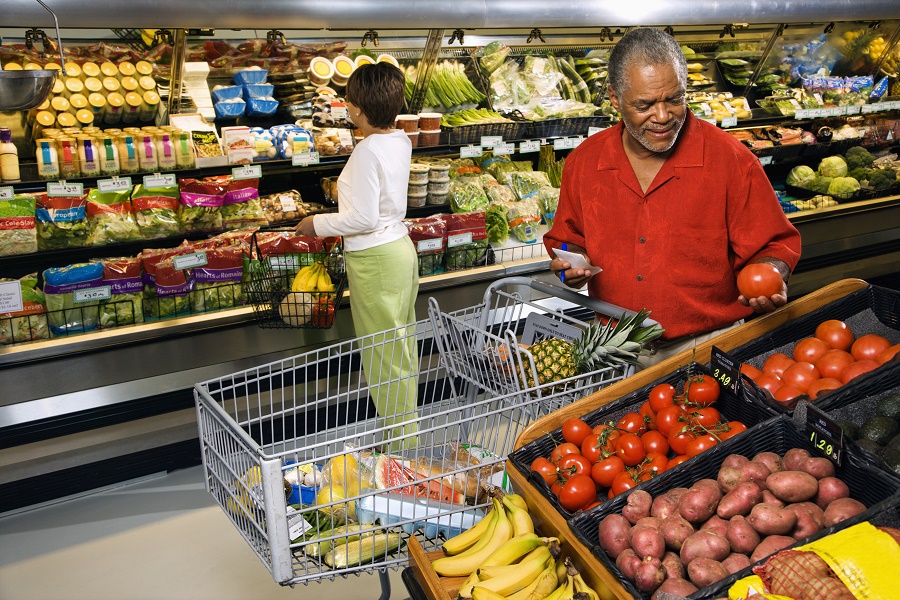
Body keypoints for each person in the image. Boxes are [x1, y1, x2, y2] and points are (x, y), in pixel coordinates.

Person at [544, 27, 802, 366]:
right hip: (615, 347)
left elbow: (774, 245)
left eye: (675, 99)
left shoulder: (731, 160)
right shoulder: (585, 162)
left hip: (708, 347)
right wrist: (569, 266)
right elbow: (568, 241)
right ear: (614, 97)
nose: (663, 116)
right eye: (645, 104)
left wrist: (769, 274)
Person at [295, 62, 420, 447]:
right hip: (398, 250)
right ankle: (399, 439)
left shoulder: (368, 152)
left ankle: (403, 454)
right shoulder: (400, 141)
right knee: (400, 352)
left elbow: (363, 218)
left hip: (377, 259)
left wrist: (315, 224)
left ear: (356, 109)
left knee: (384, 358)